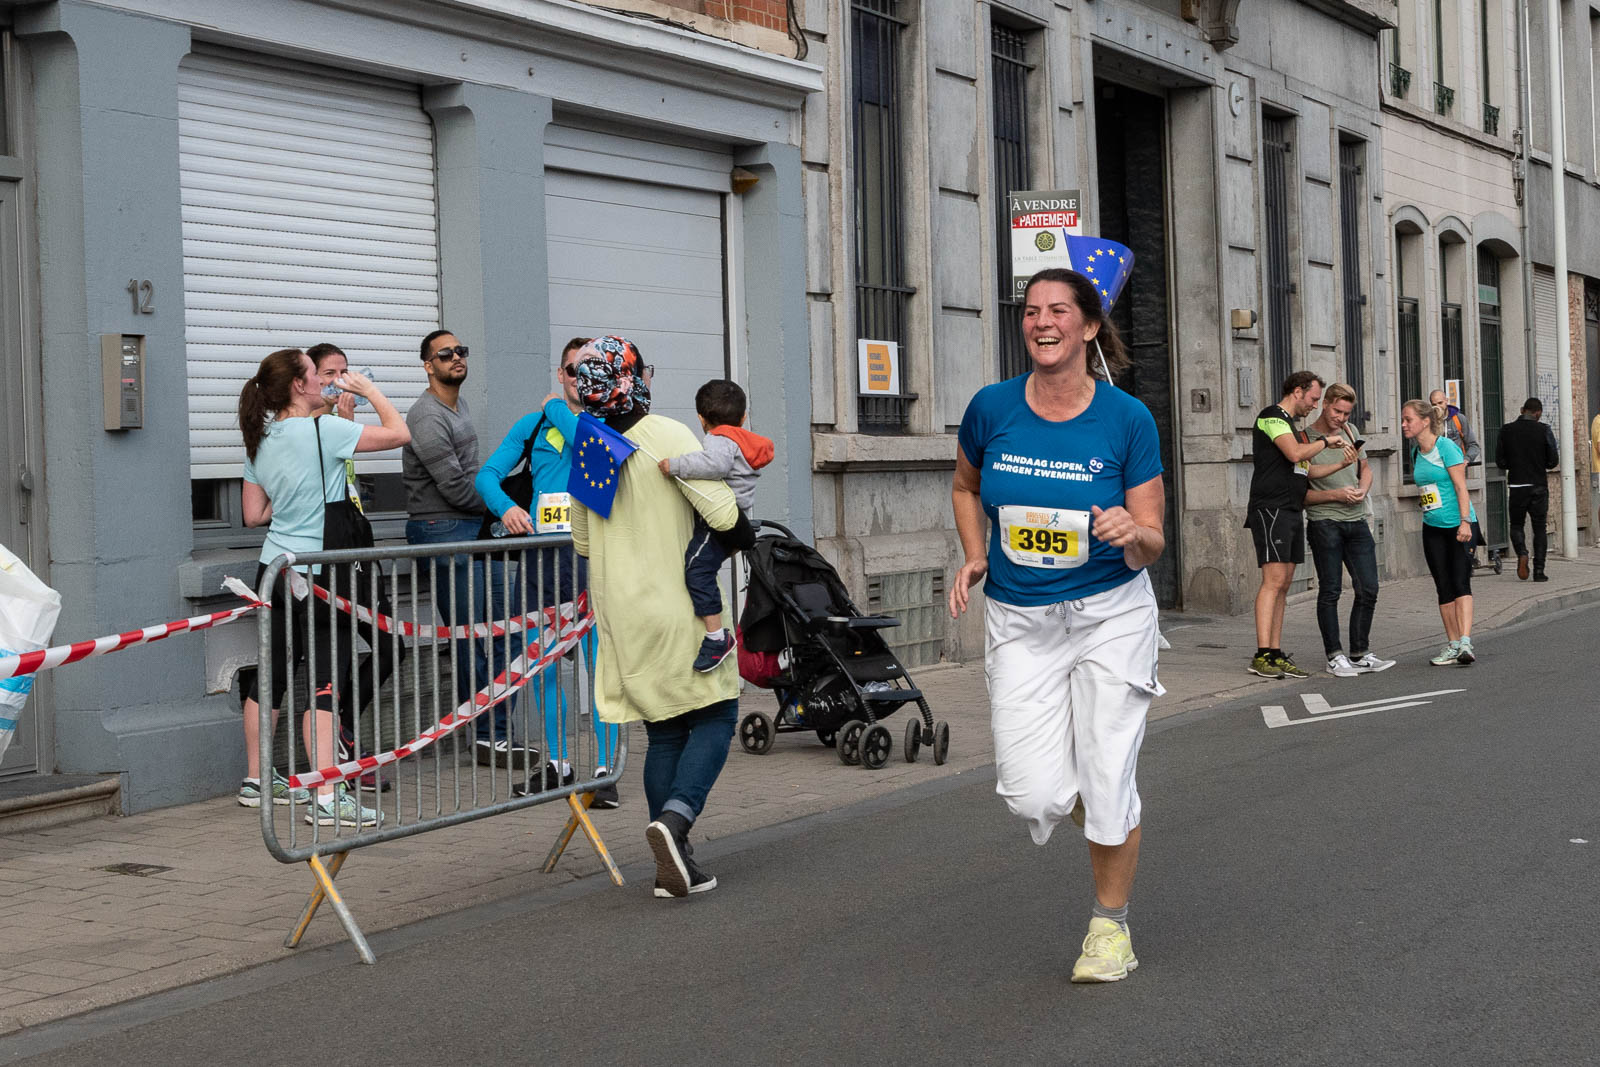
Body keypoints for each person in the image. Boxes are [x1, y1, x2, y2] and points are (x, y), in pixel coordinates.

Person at [948, 268, 1166, 984]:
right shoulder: (991, 408)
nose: (1042, 321)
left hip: (1109, 613)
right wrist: (976, 555)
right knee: (1032, 792)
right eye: (1032, 311)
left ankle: (1111, 927)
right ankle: (1105, 812)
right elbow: (965, 485)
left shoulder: (1126, 419)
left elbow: (1153, 541)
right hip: (1020, 617)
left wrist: (1130, 529)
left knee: (1108, 771)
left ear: (1089, 326)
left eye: (1059, 310)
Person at [568, 336, 741, 899]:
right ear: (634, 377)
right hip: (680, 605)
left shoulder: (591, 445)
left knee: (664, 731)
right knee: (717, 714)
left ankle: (679, 864)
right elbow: (721, 511)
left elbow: (583, 541)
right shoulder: (667, 434)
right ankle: (676, 821)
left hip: (623, 613)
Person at [237, 348, 408, 826]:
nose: (326, 382)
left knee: (271, 674)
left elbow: (254, 514)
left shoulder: (260, 435)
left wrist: (295, 500)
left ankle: (256, 780)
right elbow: (400, 433)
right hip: (318, 573)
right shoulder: (323, 431)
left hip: (273, 568)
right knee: (324, 682)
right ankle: (329, 795)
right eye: (316, 374)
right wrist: (368, 390)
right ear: (298, 384)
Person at [477, 337, 621, 807]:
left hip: (593, 559)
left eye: (587, 371)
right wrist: (507, 509)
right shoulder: (533, 423)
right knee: (542, 667)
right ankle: (558, 764)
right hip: (542, 562)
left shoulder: (610, 421)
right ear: (559, 374)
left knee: (600, 665)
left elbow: (585, 441)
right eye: (571, 370)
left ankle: (605, 770)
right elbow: (487, 476)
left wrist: (557, 407)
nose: (579, 378)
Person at [403, 329, 526, 768]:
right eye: (445, 353)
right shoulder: (425, 415)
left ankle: (495, 734)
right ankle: (486, 737)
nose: (456, 358)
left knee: (505, 633)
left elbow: (470, 477)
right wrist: (503, 505)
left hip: (473, 527)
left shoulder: (459, 406)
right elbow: (454, 485)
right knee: (473, 637)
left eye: (461, 351)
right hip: (443, 530)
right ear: (427, 364)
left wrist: (496, 506)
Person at [308, 343, 405, 791]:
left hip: (358, 546)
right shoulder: (308, 427)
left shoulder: (337, 426)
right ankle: (334, 758)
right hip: (328, 553)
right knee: (335, 656)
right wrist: (343, 424)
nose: (340, 382)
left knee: (389, 644)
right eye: (330, 373)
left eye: (346, 372)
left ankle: (344, 724)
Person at [656, 379, 774, 672]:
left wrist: (676, 466)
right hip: (737, 520)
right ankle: (713, 631)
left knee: (696, 570)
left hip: (720, 521)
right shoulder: (743, 440)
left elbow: (715, 466)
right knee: (702, 569)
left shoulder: (720, 438)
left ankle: (716, 637)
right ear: (743, 417)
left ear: (701, 419)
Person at [1245, 371, 1355, 680]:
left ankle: (1275, 652)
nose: (1314, 405)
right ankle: (1262, 654)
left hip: (1292, 509)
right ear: (1297, 391)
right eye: (1313, 398)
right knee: (1273, 580)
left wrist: (1342, 464)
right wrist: (1324, 441)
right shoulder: (1272, 417)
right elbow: (1295, 453)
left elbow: (1305, 470)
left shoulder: (1291, 426)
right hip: (1271, 508)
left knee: (1284, 583)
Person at [1304, 383, 1395, 677]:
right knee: (1330, 590)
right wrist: (1336, 495)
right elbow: (1301, 494)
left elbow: (1364, 468)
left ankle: (1360, 652)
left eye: (1346, 413)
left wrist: (1362, 489)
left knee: (1369, 587)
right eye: (1337, 411)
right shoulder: (1305, 439)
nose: (1341, 418)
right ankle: (1334, 656)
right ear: (1324, 404)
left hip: (1356, 519)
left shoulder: (1352, 432)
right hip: (1324, 521)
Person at [1401, 399, 1477, 665]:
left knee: (1460, 582)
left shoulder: (1446, 447)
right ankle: (1453, 644)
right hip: (1432, 526)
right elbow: (1426, 492)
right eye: (1403, 419)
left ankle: (1466, 643)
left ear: (1424, 421)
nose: (1403, 424)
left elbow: (1460, 487)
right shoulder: (1414, 452)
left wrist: (1465, 521)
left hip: (1459, 525)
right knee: (1442, 586)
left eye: (1408, 419)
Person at [1495, 397, 1560, 582]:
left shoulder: (1506, 430)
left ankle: (1522, 552)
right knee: (1539, 528)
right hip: (1538, 485)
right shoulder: (1544, 430)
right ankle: (1539, 571)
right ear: (1538, 413)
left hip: (1517, 485)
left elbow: (1500, 461)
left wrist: (1514, 464)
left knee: (1516, 525)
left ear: (1523, 409)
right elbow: (1553, 460)